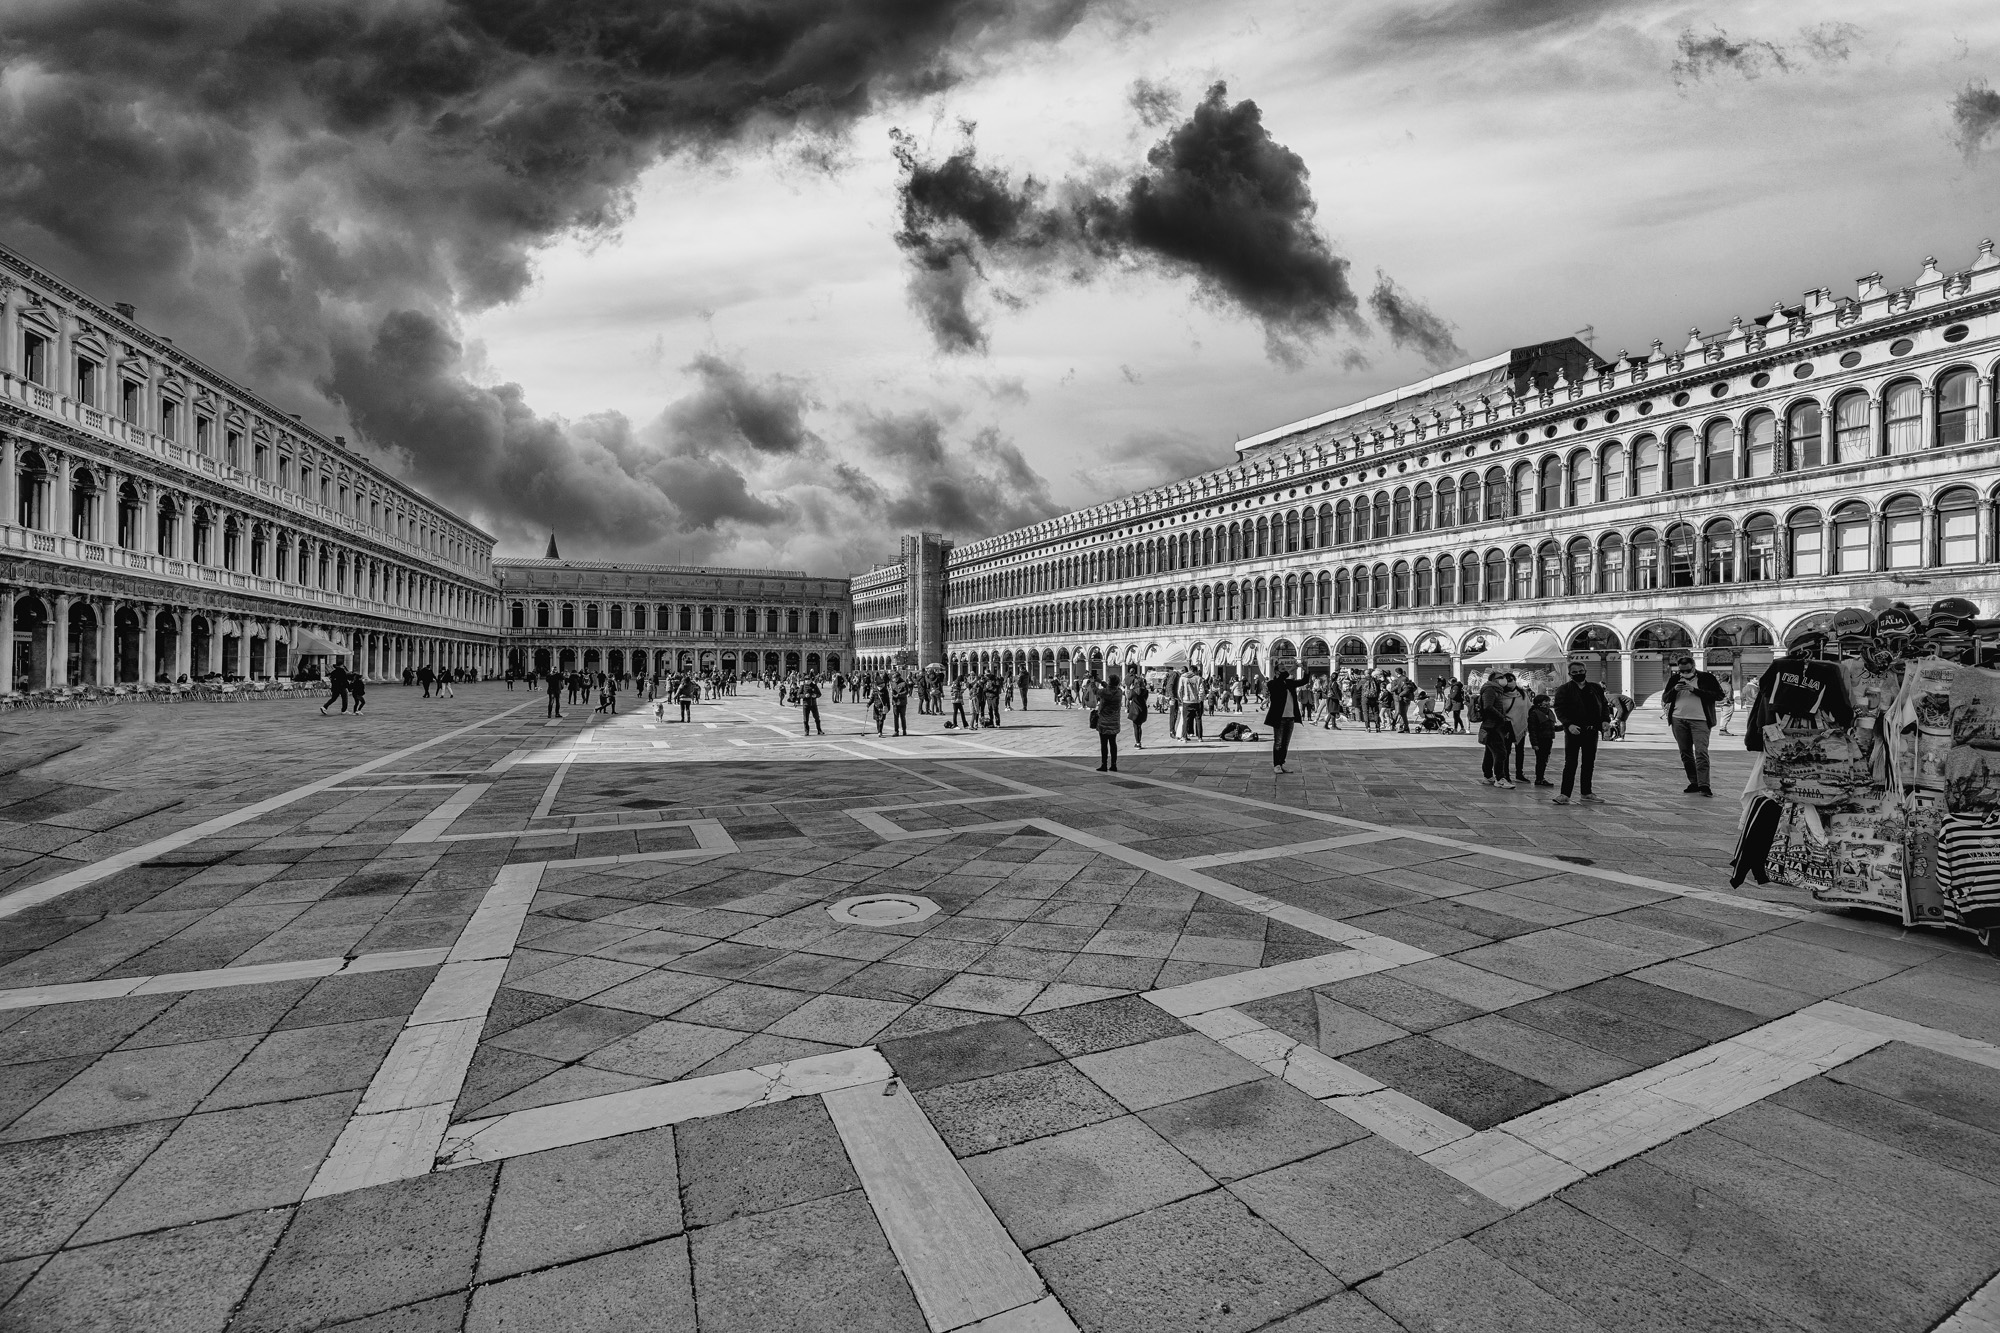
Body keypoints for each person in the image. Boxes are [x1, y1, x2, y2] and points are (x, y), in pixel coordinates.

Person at [1662, 655, 1726, 797]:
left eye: (1687, 670)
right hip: (1678, 719)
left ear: (1694, 667)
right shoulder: (1675, 679)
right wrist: (1674, 690)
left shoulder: (1707, 678)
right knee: (1685, 753)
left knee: (1701, 752)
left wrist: (1694, 690)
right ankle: (1694, 782)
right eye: (1682, 671)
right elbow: (1665, 698)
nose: (1684, 673)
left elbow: (1719, 696)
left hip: (1700, 720)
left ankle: (1704, 785)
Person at [1551, 661, 1610, 805]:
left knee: (1589, 762)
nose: (1578, 674)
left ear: (1585, 671)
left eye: (1581, 671)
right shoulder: (1564, 689)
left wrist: (1605, 720)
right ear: (1570, 674)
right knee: (1570, 763)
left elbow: (1604, 705)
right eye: (1575, 672)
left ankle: (1586, 792)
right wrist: (1568, 724)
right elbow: (1559, 709)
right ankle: (1565, 794)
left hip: (1591, 730)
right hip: (1574, 731)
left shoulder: (1595, 688)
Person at [1480, 672, 1526, 789]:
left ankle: (1488, 776)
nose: (1503, 679)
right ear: (1493, 679)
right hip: (1492, 726)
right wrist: (1501, 717)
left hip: (1494, 725)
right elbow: (1488, 707)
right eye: (1500, 677)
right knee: (1501, 753)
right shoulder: (1490, 689)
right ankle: (1500, 779)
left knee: (1490, 752)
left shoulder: (1496, 690)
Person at [1264, 664, 1303, 775]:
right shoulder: (1272, 683)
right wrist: (1291, 670)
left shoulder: (1289, 683)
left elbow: (1303, 681)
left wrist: (1306, 669)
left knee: (1285, 743)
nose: (1285, 671)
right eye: (1282, 669)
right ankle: (1276, 765)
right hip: (1279, 718)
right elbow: (1279, 682)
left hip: (1290, 717)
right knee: (1278, 742)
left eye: (1285, 669)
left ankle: (1281, 763)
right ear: (1276, 672)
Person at [1526, 693, 1558, 787]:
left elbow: (1552, 727)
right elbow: (1532, 730)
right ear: (1539, 703)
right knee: (1540, 760)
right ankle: (1539, 779)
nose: (1548, 703)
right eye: (1545, 701)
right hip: (1540, 740)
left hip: (1548, 739)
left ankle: (1541, 778)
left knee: (1545, 759)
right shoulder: (1534, 713)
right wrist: (1534, 743)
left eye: (1548, 701)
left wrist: (1564, 727)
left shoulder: (1548, 712)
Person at [1095, 676, 1124, 771]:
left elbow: (1095, 691)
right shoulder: (1119, 692)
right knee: (1113, 743)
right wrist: (1101, 682)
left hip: (1104, 722)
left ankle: (1104, 764)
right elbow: (1110, 688)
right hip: (1114, 721)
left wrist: (1092, 682)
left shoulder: (1104, 692)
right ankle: (1114, 764)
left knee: (1104, 744)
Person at [1178, 669, 1204, 741]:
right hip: (1195, 701)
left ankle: (1184, 737)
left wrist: (1181, 698)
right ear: (1195, 671)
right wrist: (1199, 699)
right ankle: (1200, 737)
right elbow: (1201, 690)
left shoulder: (1183, 678)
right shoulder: (1198, 678)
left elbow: (1180, 689)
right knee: (1198, 719)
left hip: (1186, 700)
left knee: (1185, 719)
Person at [1127, 674, 1151, 748]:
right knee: (1139, 726)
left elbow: (1129, 698)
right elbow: (1145, 699)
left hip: (1135, 710)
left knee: (1136, 726)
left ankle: (1137, 743)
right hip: (1143, 710)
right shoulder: (1146, 691)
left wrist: (1130, 689)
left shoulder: (1133, 691)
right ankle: (1139, 742)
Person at [890, 673, 911, 737]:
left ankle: (904, 730)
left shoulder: (904, 683)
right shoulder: (892, 683)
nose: (894, 679)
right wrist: (893, 694)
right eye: (893, 678)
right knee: (895, 717)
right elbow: (892, 691)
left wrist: (899, 695)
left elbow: (906, 692)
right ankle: (896, 731)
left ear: (898, 677)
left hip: (902, 702)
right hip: (895, 702)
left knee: (902, 717)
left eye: (895, 678)